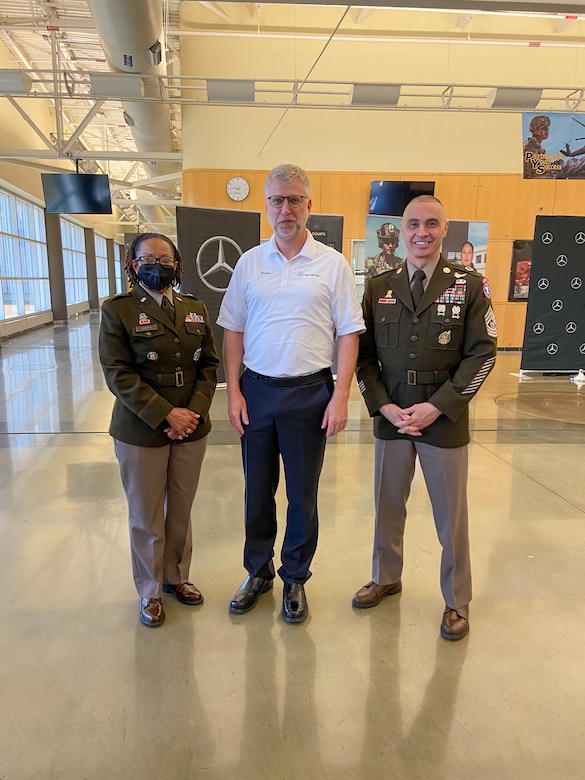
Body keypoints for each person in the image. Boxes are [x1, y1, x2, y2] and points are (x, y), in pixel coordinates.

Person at [217, 163, 364, 624]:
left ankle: (295, 577)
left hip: (309, 395)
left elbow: (348, 334)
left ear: (308, 205)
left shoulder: (332, 264)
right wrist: (234, 392)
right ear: (266, 206)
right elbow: (234, 331)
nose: (286, 209)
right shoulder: (248, 263)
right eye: (277, 200)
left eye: (294, 199)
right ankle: (258, 572)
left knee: (303, 494)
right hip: (257, 394)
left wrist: (340, 396)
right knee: (256, 492)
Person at [352, 196, 497, 641]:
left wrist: (439, 405)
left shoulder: (470, 285)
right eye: (413, 223)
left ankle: (457, 599)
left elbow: (483, 354)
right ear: (401, 229)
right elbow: (364, 355)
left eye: (431, 224)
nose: (422, 232)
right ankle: (386, 576)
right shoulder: (379, 286)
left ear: (445, 229)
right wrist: (383, 406)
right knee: (386, 505)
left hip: (444, 417)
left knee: (450, 514)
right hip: (392, 415)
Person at [99, 233, 219, 628]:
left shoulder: (194, 307)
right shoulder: (118, 310)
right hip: (142, 428)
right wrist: (168, 414)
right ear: (133, 265)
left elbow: (208, 366)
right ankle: (150, 591)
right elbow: (118, 373)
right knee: (146, 514)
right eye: (148, 258)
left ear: (177, 263)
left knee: (180, 509)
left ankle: (176, 577)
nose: (158, 265)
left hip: (191, 428)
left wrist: (193, 413)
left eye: (165, 259)